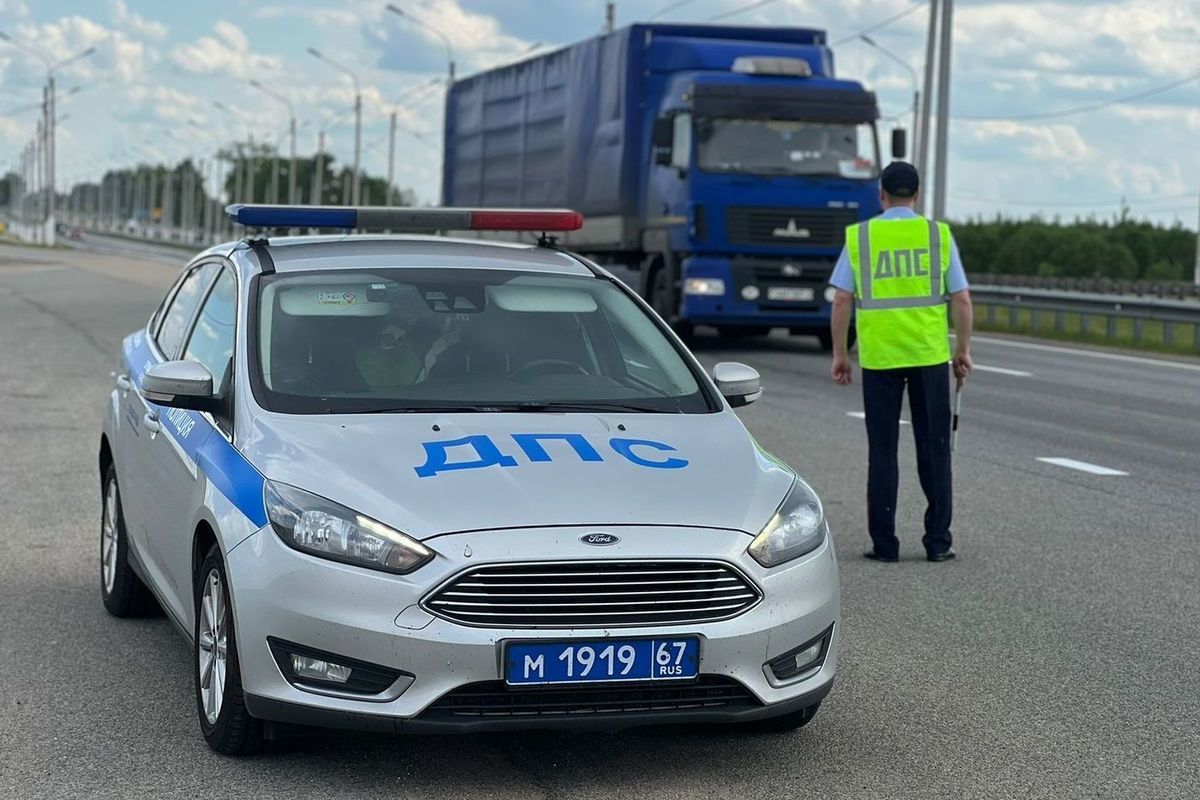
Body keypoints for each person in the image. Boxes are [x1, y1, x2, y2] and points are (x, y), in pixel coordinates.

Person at [827, 161, 973, 563]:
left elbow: (841, 300)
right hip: (928, 356)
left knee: (883, 451)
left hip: (880, 358)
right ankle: (938, 543)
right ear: (917, 194)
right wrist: (962, 350)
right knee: (935, 449)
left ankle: (885, 545)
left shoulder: (861, 236)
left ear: (881, 194)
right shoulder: (937, 234)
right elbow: (961, 299)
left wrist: (840, 354)